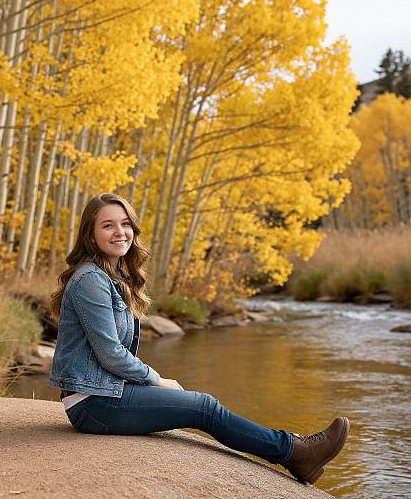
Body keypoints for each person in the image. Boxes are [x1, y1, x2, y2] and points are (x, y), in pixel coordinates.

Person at [49, 193, 349, 485]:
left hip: (104, 395)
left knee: (201, 405)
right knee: (203, 407)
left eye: (126, 224)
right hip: (94, 404)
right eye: (108, 225)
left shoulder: (113, 277)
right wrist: (155, 379)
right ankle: (296, 452)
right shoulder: (91, 279)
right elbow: (110, 352)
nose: (120, 232)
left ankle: (296, 451)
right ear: (90, 233)